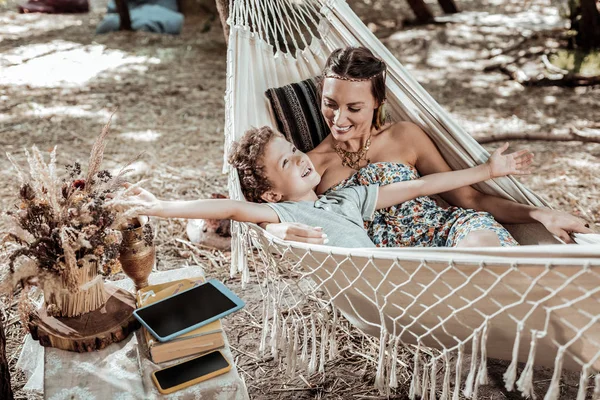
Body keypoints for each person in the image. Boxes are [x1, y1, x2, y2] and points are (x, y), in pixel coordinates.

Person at [263, 46, 593, 247]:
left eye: (354, 108)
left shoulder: (405, 137)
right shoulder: (312, 166)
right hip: (394, 265)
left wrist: (540, 214)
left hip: (447, 230)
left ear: (377, 102)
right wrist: (276, 231)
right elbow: (276, 209)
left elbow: (470, 198)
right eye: (330, 104)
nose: (338, 118)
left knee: (485, 250)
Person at [128, 126, 533, 248]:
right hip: (386, 289)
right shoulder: (282, 214)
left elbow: (424, 184)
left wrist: (487, 170)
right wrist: (160, 207)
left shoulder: (348, 198)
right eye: (287, 162)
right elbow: (232, 210)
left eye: (294, 149)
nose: (302, 158)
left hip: (414, 264)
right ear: (271, 194)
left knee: (483, 251)